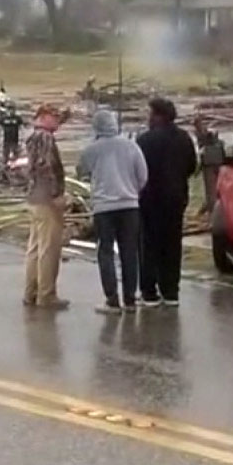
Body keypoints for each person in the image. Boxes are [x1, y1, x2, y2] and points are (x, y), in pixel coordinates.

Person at [77, 108, 148, 313]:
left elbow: (82, 171)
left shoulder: (92, 149)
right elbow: (143, 175)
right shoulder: (131, 146)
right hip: (130, 206)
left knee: (106, 251)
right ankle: (130, 299)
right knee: (129, 252)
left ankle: (112, 299)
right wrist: (133, 191)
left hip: (103, 207)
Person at [136, 97, 199, 308]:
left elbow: (137, 170)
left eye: (150, 114)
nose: (148, 118)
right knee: (172, 246)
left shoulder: (144, 140)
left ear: (158, 115)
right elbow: (192, 166)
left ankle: (149, 291)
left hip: (150, 199)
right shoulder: (184, 138)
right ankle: (171, 291)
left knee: (149, 245)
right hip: (176, 199)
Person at [21, 104, 68, 309]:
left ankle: (30, 292)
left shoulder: (32, 137)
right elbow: (46, 167)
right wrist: (56, 194)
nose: (58, 122)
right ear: (44, 117)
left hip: (33, 197)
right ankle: (46, 294)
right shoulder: (46, 138)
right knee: (49, 249)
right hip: (46, 198)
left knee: (35, 248)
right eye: (55, 117)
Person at [195, 119, 226, 215]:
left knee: (212, 188)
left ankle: (213, 208)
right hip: (213, 160)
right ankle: (212, 207)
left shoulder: (206, 136)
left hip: (210, 161)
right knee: (213, 188)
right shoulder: (204, 135)